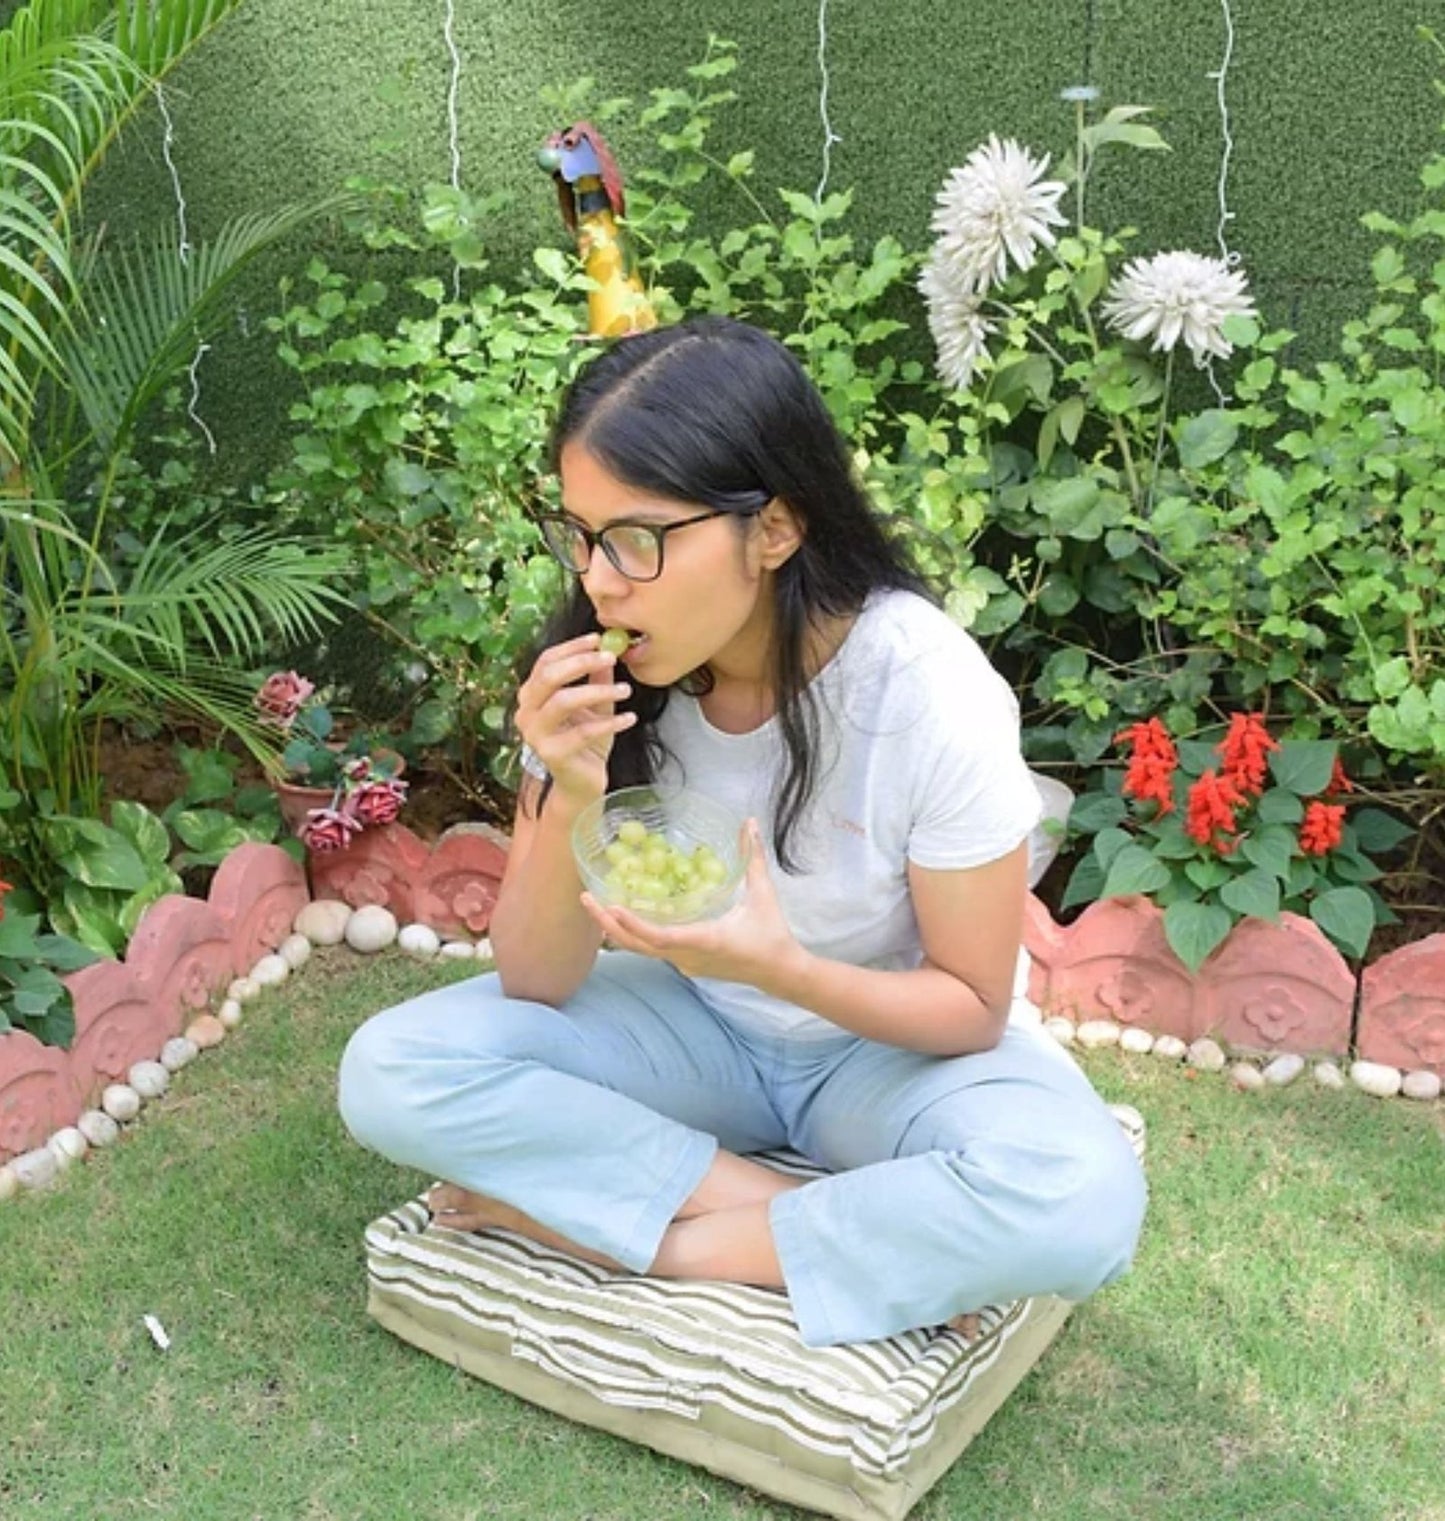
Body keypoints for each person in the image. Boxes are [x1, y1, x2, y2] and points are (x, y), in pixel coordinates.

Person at [338, 315, 1146, 1349]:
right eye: (580, 536)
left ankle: (642, 1240)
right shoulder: (595, 675)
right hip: (697, 1034)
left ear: (772, 528)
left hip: (882, 1054)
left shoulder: (927, 691)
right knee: (391, 1069)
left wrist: (778, 967)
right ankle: (781, 1209)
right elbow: (537, 978)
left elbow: (971, 1010)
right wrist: (573, 788)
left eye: (637, 539)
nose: (598, 580)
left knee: (1080, 1200)